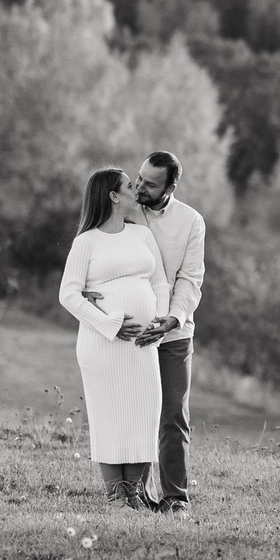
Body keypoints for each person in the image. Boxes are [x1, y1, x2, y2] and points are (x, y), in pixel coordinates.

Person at [57, 165, 174, 509]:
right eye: (128, 186)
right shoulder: (87, 242)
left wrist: (157, 323)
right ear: (113, 196)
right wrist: (110, 325)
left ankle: (133, 494)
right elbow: (69, 294)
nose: (135, 190)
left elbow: (160, 284)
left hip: (143, 344)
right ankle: (115, 496)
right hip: (103, 344)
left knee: (144, 413)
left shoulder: (142, 235)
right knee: (110, 416)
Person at [130, 149, 207, 512]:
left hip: (175, 334)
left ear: (170, 187)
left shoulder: (191, 221)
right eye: (139, 178)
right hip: (132, 331)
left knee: (173, 414)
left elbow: (190, 278)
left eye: (150, 184)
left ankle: (175, 497)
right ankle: (135, 493)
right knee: (135, 412)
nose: (139, 187)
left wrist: (174, 318)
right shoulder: (124, 209)